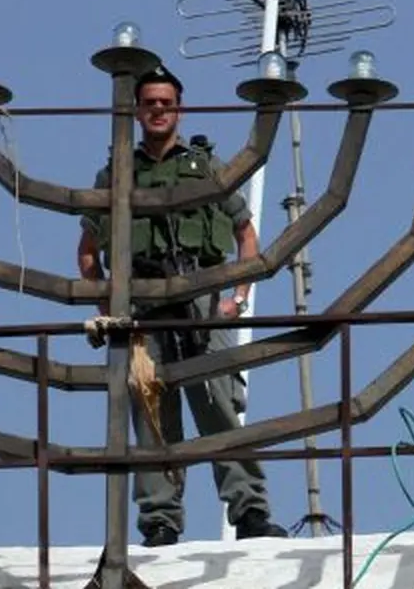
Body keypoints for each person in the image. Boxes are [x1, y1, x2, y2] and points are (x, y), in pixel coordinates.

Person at [77, 66, 289, 547]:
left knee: (219, 405)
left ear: (179, 109)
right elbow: (88, 251)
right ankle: (160, 519)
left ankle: (249, 510)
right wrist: (109, 304)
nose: (158, 110)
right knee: (151, 412)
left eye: (165, 103)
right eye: (149, 103)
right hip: (141, 304)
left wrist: (237, 297)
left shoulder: (207, 167)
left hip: (202, 297)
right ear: (137, 111)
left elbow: (246, 235)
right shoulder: (116, 175)